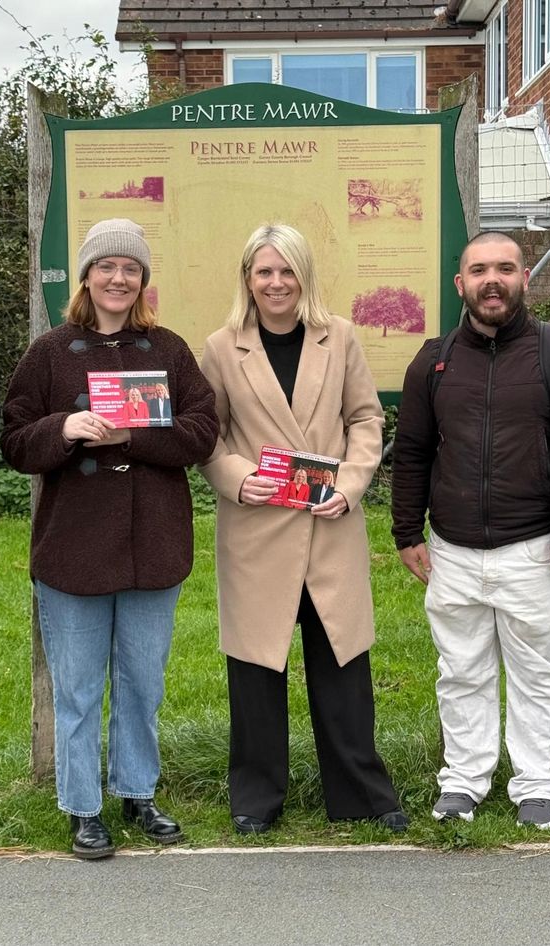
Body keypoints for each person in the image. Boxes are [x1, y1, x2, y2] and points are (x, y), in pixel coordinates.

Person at [1, 218, 218, 859]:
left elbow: (203, 431)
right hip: (73, 547)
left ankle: (138, 790)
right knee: (77, 687)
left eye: (131, 269)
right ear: (87, 277)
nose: (118, 279)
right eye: (107, 267)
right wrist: (65, 427)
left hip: (154, 542)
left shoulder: (169, 351)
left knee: (142, 680)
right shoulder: (47, 353)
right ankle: (81, 805)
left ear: (143, 281)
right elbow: (15, 441)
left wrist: (133, 437)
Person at [391, 231, 550, 830]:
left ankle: (537, 785)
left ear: (524, 278)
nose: (493, 280)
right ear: (460, 284)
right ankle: (463, 780)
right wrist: (406, 531)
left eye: (505, 268)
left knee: (537, 671)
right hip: (451, 549)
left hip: (534, 548)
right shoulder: (433, 361)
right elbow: (410, 452)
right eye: (479, 269)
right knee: (461, 670)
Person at [199, 223, 407, 835]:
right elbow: (205, 434)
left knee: (343, 664)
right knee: (257, 669)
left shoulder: (338, 337)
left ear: (304, 275)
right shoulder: (220, 347)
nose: (276, 282)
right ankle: (256, 798)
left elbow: (366, 418)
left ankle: (361, 792)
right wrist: (236, 476)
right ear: (248, 279)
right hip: (258, 528)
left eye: (286, 270)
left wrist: (351, 482)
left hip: (329, 521)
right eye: (264, 271)